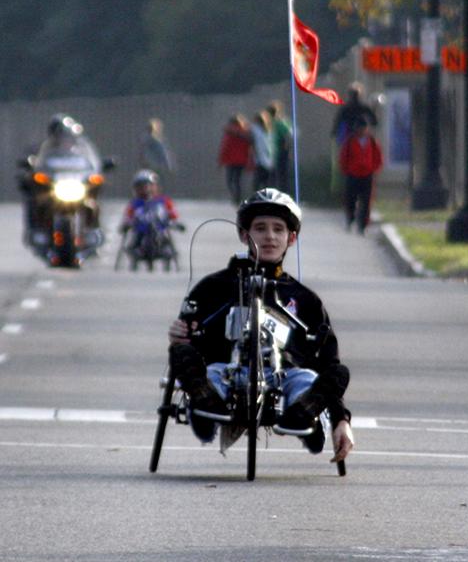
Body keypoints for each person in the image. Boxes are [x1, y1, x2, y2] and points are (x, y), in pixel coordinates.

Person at [166, 188, 354, 463]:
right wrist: (180, 338)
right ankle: (206, 405)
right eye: (260, 228)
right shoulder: (213, 287)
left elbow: (327, 359)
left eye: (278, 229)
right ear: (244, 235)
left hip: (287, 377)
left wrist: (341, 420)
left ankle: (303, 414)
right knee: (186, 360)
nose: (269, 236)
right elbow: (191, 338)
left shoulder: (305, 299)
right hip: (223, 374)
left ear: (291, 238)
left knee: (333, 374)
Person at [338, 116, 383, 234]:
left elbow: (378, 157)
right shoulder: (350, 141)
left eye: (364, 128)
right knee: (351, 199)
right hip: (353, 174)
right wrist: (346, 170)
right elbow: (343, 158)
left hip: (367, 175)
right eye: (359, 128)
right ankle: (350, 218)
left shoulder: (372, 142)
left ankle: (363, 225)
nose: (362, 131)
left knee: (366, 201)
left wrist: (374, 169)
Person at [119, 169, 182, 246]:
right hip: (141, 232)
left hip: (159, 231)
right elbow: (128, 216)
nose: (145, 189)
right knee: (134, 244)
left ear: (155, 186)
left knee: (166, 243)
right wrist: (127, 224)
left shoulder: (163, 201)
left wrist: (175, 222)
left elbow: (172, 214)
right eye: (140, 186)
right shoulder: (135, 203)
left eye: (148, 185)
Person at [218, 114, 252, 205]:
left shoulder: (229, 133)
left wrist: (221, 161)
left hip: (231, 161)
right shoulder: (246, 133)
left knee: (230, 181)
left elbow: (225, 148)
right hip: (242, 160)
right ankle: (238, 197)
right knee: (238, 181)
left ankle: (236, 197)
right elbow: (250, 148)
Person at [266, 101, 292, 194]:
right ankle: (284, 195)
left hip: (275, 152)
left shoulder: (270, 123)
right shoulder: (283, 123)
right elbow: (288, 137)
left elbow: (286, 138)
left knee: (273, 176)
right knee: (282, 176)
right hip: (280, 152)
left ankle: (272, 196)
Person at [139, 118, 175, 183]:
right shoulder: (149, 138)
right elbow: (144, 152)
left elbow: (163, 153)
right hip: (152, 165)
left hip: (155, 165)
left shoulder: (156, 139)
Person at [249, 111, 274, 192]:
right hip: (267, 159)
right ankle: (265, 195)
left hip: (260, 159)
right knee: (265, 180)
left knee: (258, 180)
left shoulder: (255, 129)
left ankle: (257, 194)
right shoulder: (269, 130)